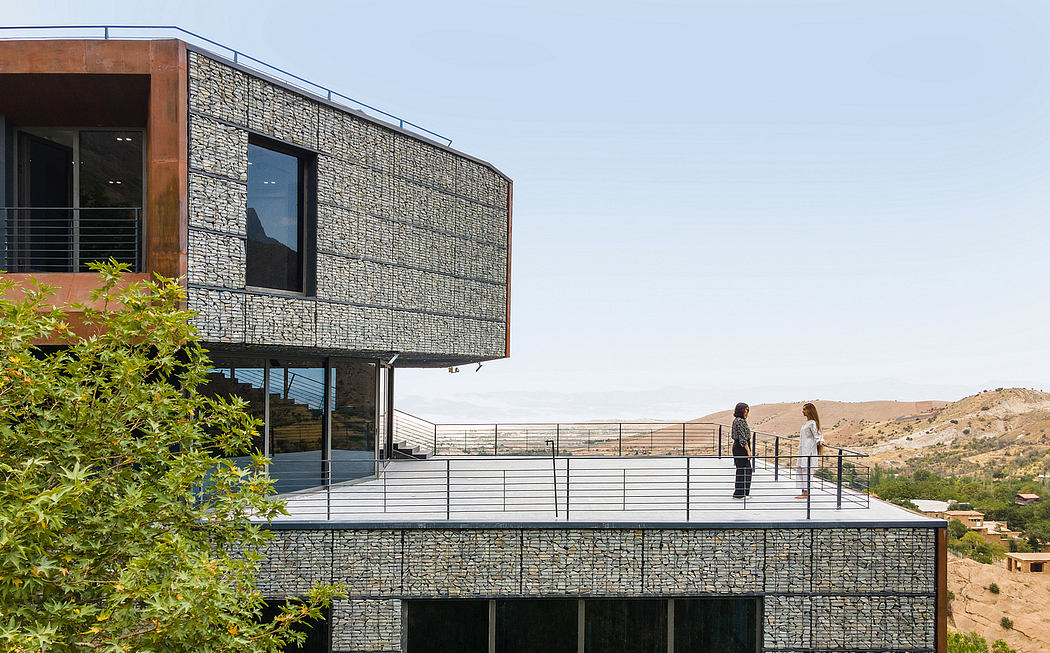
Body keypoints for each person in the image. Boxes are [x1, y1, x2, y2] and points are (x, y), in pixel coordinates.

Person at [795, 402, 825, 499]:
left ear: (809, 411)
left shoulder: (812, 423)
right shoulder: (806, 423)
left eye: (804, 409)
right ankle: (803, 491)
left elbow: (818, 434)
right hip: (803, 449)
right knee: (802, 469)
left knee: (806, 470)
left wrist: (820, 441)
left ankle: (806, 492)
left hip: (808, 450)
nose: (802, 411)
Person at [731, 402, 753, 498]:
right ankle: (741, 493)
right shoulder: (740, 421)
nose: (747, 412)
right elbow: (742, 438)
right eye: (745, 410)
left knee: (743, 470)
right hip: (741, 447)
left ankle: (742, 493)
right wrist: (748, 451)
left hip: (740, 447)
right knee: (745, 470)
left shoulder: (738, 420)